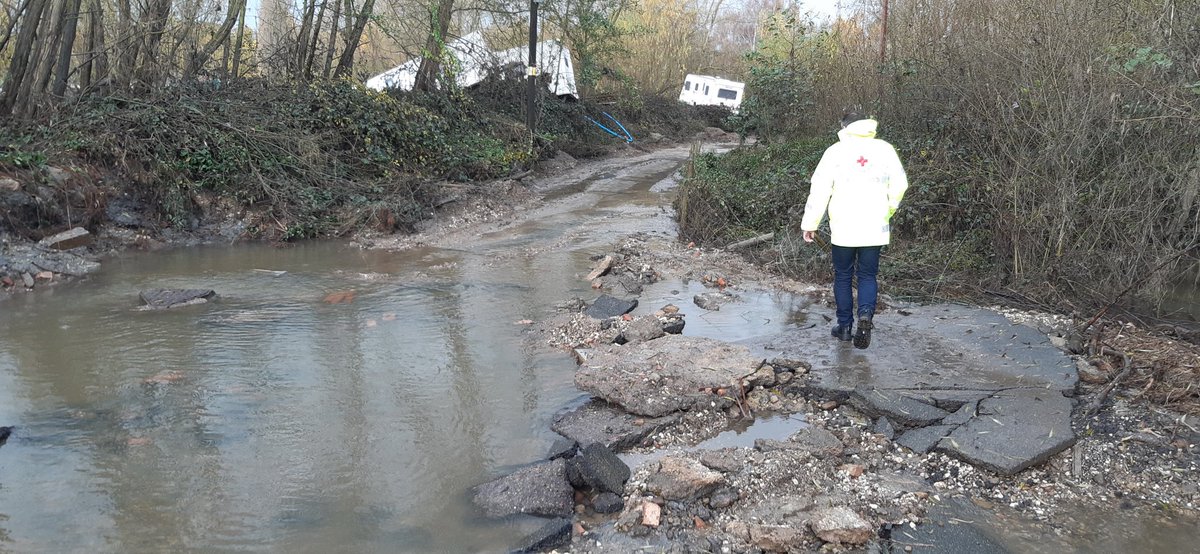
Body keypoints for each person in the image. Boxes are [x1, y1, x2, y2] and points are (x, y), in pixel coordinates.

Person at [800, 112, 908, 349]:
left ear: (844, 127)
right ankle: (866, 315)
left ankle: (845, 327)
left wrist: (810, 224)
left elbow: (820, 190)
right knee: (868, 276)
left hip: (844, 227)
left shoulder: (835, 152)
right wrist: (887, 210)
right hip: (874, 226)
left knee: (843, 275)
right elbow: (900, 184)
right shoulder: (885, 149)